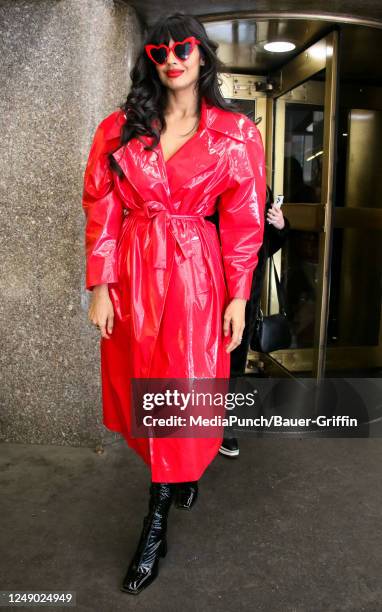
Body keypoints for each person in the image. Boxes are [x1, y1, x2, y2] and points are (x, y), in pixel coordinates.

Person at [82, 12, 266, 594]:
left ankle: (155, 521)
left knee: (181, 383)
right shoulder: (120, 128)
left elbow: (242, 220)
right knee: (142, 383)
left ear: (203, 55)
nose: (172, 58)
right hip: (135, 271)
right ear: (150, 60)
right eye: (160, 50)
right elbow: (102, 205)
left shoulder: (235, 133)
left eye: (183, 47)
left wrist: (239, 296)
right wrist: (99, 282)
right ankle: (177, 475)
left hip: (194, 270)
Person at [217, 185, 290, 457]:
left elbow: (267, 244)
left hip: (247, 288)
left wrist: (280, 226)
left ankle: (225, 423)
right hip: (211, 281)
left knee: (234, 357)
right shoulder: (217, 171)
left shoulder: (261, 184)